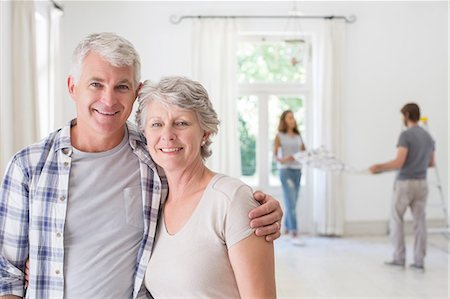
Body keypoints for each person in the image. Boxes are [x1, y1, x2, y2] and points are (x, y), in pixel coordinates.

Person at [0, 32, 283, 299]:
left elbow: (204, 191)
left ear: (135, 92)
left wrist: (257, 206)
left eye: (121, 86)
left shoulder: (152, 156)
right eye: (96, 84)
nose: (108, 99)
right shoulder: (29, 167)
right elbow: (7, 272)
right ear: (73, 86)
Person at [136, 76, 276, 298]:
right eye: (157, 124)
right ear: (145, 134)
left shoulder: (231, 200)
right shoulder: (153, 201)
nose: (167, 135)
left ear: (205, 133)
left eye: (181, 123)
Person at [370, 103, 435, 271]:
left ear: (406, 115)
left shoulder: (405, 136)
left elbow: (399, 162)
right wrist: (417, 165)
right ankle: (419, 261)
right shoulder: (428, 137)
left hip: (405, 183)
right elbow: (432, 163)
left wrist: (379, 166)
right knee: (420, 222)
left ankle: (399, 258)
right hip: (422, 183)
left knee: (397, 220)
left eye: (402, 116)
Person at [274, 110, 306, 246]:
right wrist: (285, 158)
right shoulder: (279, 136)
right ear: (284, 120)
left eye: (293, 117)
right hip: (285, 171)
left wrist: (300, 156)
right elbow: (275, 157)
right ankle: (294, 232)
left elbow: (305, 152)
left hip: (297, 171)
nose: (292, 119)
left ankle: (286, 230)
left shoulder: (299, 136)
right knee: (291, 202)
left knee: (291, 202)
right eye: (289, 117)